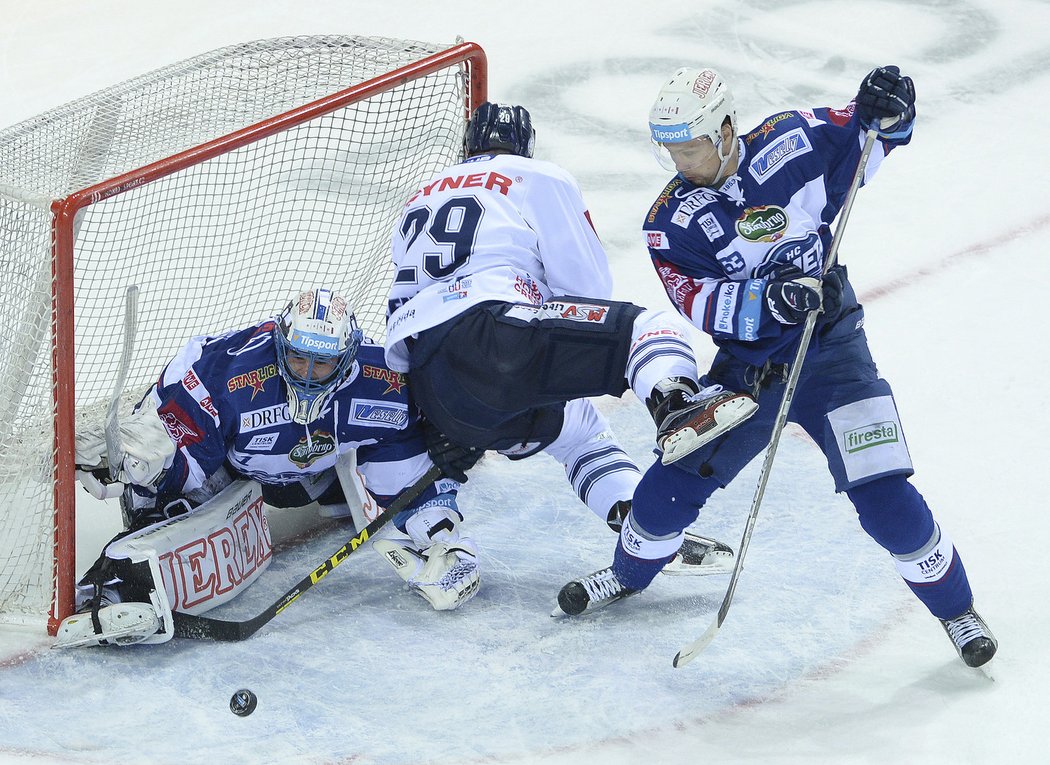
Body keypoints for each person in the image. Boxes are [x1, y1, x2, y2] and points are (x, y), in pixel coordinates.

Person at [554, 66, 997, 669]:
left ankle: (957, 611)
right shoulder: (670, 221)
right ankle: (627, 574)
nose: (683, 164)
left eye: (691, 148)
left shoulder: (798, 140)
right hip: (753, 369)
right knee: (668, 488)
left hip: (834, 354)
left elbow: (876, 133)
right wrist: (773, 301)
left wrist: (892, 106)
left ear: (726, 129)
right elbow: (696, 301)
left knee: (884, 495)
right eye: (672, 153)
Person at [384, 101, 755, 578]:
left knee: (582, 432)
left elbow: (406, 314)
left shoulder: (418, 198)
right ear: (525, 145)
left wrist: (452, 417)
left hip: (435, 385)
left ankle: (641, 529)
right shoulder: (535, 176)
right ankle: (676, 405)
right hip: (497, 335)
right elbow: (587, 287)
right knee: (648, 328)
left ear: (467, 146)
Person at [57, 287, 479, 648]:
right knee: (172, 499)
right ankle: (116, 588)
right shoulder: (225, 371)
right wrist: (144, 460)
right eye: (299, 359)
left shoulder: (385, 377)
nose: (310, 375)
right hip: (230, 472)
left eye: (323, 363)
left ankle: (428, 541)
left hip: (313, 479)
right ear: (280, 345)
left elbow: (414, 443)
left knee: (405, 463)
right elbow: (185, 444)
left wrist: (441, 527)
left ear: (347, 358)